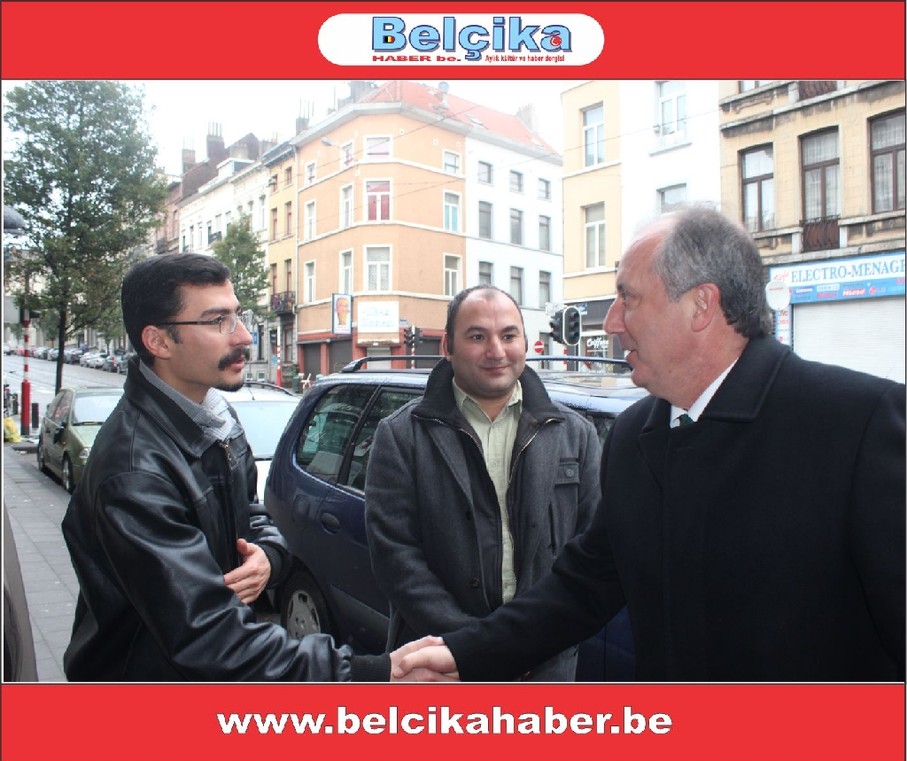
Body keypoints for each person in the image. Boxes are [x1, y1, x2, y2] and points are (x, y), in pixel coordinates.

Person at [395, 206, 906, 683]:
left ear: (701, 305)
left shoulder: (858, 423)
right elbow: (583, 585)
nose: (612, 322)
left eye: (629, 298)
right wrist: (467, 653)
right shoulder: (635, 436)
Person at [62, 252, 442, 681]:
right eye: (218, 321)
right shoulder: (134, 472)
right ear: (159, 341)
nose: (243, 335)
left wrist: (270, 557)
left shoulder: (214, 417)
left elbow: (252, 515)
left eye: (238, 316)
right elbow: (210, 639)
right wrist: (375, 674)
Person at [364, 285, 602, 680]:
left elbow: (589, 554)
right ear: (448, 346)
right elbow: (396, 558)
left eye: (509, 336)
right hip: (440, 666)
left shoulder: (575, 434)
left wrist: (528, 641)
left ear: (525, 342)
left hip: (545, 666)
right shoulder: (402, 435)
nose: (496, 351)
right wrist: (471, 649)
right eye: (477, 337)